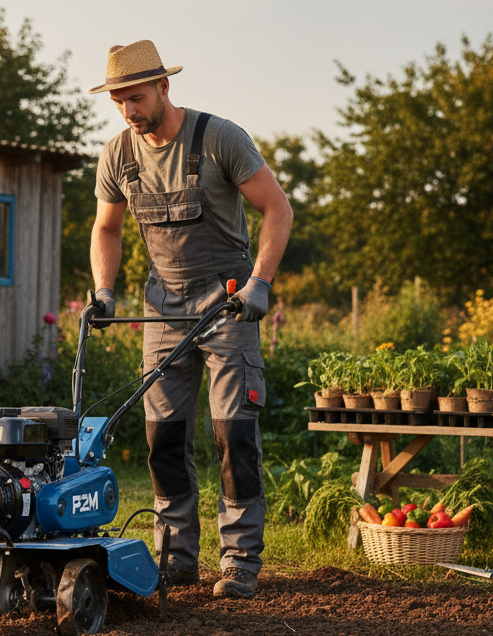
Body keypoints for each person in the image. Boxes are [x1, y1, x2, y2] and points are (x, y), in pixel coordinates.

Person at [88, 40, 293, 598]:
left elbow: (278, 208)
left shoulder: (219, 138)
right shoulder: (118, 155)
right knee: (164, 436)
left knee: (233, 433)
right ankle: (176, 556)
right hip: (162, 307)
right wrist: (105, 293)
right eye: (118, 102)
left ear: (163, 87)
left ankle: (240, 561)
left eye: (135, 97)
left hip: (228, 300)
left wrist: (260, 284)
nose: (128, 110)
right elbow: (106, 229)